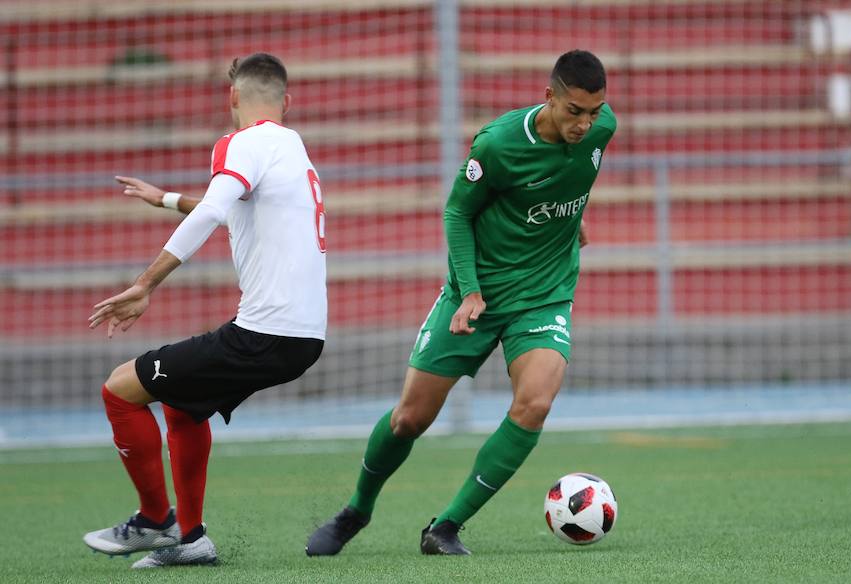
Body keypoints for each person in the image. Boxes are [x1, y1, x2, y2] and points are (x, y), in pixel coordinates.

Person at [306, 49, 615, 556]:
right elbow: (456, 213)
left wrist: (570, 219)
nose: (585, 124)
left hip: (544, 296)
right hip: (476, 292)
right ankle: (356, 510)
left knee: (535, 402)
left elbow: (569, 180)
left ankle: (445, 527)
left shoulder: (604, 130)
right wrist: (470, 292)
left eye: (594, 112)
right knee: (411, 418)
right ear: (550, 98)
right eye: (574, 111)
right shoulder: (498, 144)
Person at [82, 53, 328, 568]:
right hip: (303, 337)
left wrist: (145, 284)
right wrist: (168, 199)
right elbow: (234, 204)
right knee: (179, 400)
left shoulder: (242, 142)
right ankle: (190, 540)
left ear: (233, 96)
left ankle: (155, 520)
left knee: (120, 391)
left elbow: (219, 206)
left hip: (264, 332)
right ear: (287, 101)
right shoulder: (292, 148)